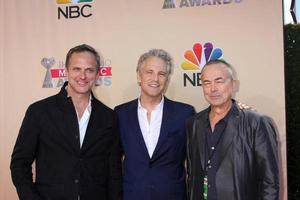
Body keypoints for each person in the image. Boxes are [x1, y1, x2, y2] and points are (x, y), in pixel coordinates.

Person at [10, 44, 122, 200]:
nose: (83, 76)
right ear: (66, 72)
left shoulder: (108, 116)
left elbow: (114, 171)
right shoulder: (39, 112)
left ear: (97, 75)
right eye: (77, 69)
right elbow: (19, 164)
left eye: (89, 70)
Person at [186, 59, 279, 200]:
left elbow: (270, 182)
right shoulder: (193, 123)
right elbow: (192, 175)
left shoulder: (256, 122)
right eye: (207, 83)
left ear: (233, 84)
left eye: (219, 81)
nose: (213, 88)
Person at [114, 49, 195, 200]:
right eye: (149, 72)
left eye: (161, 74)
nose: (155, 78)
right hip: (132, 195)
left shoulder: (185, 113)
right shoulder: (120, 114)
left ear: (167, 79)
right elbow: (113, 162)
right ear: (139, 76)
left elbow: (195, 161)